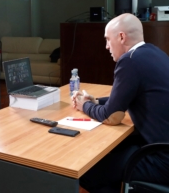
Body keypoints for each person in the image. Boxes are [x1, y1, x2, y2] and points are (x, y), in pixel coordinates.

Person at [71, 13, 169, 192]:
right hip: (160, 147)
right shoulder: (154, 53)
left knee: (84, 173)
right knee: (110, 163)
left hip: (162, 160)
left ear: (121, 37)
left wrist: (83, 106)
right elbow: (132, 96)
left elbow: (111, 117)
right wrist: (95, 100)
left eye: (108, 39)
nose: (107, 46)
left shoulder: (129, 61)